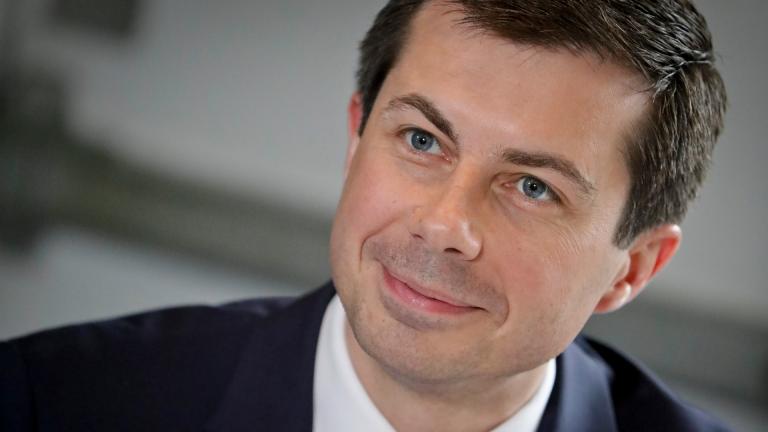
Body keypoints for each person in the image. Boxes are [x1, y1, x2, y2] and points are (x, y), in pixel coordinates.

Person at [0, 0, 729, 431]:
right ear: (357, 139)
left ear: (630, 269)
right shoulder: (52, 404)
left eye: (533, 187)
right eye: (422, 141)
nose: (444, 224)